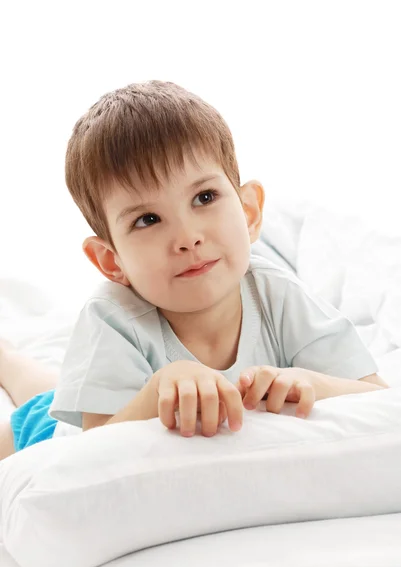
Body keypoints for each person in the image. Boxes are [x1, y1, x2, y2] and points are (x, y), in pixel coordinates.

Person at [0, 80, 389, 461]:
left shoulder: (276, 292)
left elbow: (376, 395)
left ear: (249, 212)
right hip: (57, 429)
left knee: (47, 386)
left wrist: (315, 382)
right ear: (111, 261)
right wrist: (155, 393)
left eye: (205, 197)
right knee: (36, 404)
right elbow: (93, 445)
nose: (188, 237)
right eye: (147, 219)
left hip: (97, 386)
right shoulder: (112, 318)